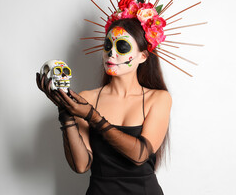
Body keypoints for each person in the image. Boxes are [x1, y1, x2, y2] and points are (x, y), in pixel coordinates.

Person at [36, 17, 172, 194]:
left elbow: (140, 155)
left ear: (143, 56)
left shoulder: (158, 98)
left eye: (122, 47)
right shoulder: (87, 98)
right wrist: (65, 112)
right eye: (107, 45)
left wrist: (93, 117)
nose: (111, 53)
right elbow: (81, 165)